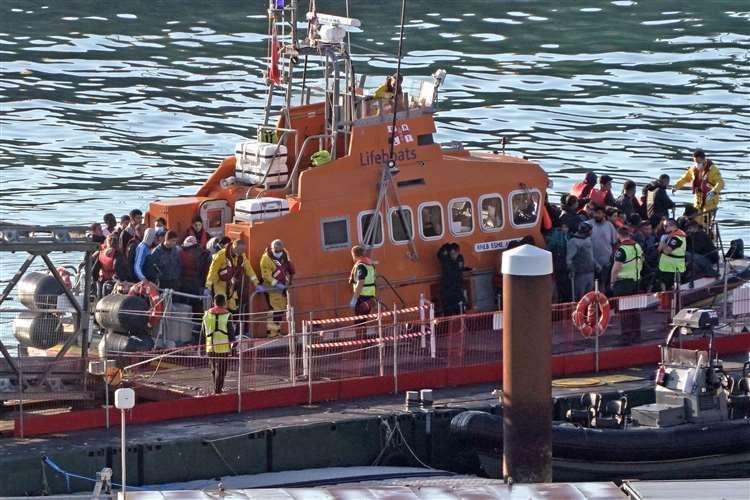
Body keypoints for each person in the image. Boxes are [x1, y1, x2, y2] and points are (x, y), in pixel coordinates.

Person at [673, 148, 724, 226]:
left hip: (710, 199)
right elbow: (685, 178)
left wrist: (714, 191)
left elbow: (720, 182)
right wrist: (676, 186)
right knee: (696, 218)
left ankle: (707, 233)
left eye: (698, 162)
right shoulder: (693, 169)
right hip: (698, 198)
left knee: (706, 220)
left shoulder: (713, 170)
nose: (697, 164)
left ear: (704, 160)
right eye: (695, 161)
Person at [205, 239, 259, 313]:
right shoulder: (221, 255)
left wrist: (256, 283)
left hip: (231, 285)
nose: (242, 252)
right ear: (234, 247)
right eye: (241, 250)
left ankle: (231, 323)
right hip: (219, 285)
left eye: (243, 250)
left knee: (232, 306)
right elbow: (213, 271)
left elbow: (249, 269)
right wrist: (208, 286)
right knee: (221, 306)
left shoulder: (241, 256)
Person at [610, 226, 644, 343]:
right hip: (636, 281)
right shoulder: (637, 246)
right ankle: (637, 333)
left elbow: (616, 268)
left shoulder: (622, 250)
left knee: (624, 310)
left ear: (619, 235)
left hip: (623, 283)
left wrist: (612, 282)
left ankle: (626, 335)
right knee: (634, 309)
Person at [260, 239, 296, 338]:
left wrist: (289, 280)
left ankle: (277, 331)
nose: (279, 253)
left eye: (280, 250)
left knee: (281, 309)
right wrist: (277, 284)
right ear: (272, 249)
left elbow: (289, 267)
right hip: (271, 287)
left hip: (282, 286)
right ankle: (272, 333)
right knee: (274, 310)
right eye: (276, 251)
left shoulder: (285, 254)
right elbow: (266, 275)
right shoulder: (265, 258)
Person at [202, 294, 234, 395]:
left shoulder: (206, 314)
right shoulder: (228, 315)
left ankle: (216, 388)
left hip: (210, 346)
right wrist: (234, 346)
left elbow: (203, 332)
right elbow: (231, 333)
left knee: (213, 368)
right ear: (224, 303)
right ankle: (218, 391)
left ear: (214, 303)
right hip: (223, 347)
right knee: (222, 369)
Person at [178, 235, 211, 314]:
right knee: (196, 305)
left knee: (188, 304)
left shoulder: (180, 252)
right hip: (195, 284)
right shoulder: (203, 253)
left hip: (187, 284)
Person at [566, 222, 598, 300]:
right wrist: (571, 269)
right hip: (580, 274)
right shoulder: (573, 242)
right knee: (580, 297)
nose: (591, 232)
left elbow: (591, 256)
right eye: (590, 231)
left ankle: (588, 311)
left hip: (590, 271)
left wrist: (596, 265)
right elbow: (569, 259)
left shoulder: (588, 239)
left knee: (589, 296)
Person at [590, 206, 618, 292]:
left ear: (604, 214)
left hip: (606, 263)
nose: (596, 215)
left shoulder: (609, 226)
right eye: (595, 213)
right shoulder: (588, 224)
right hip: (591, 262)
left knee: (603, 287)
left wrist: (612, 259)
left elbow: (615, 244)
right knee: (591, 287)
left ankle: (603, 303)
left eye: (599, 213)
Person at [657, 218, 686, 291]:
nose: (664, 228)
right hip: (665, 267)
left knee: (672, 288)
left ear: (672, 226)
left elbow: (667, 251)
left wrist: (662, 242)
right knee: (663, 283)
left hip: (673, 268)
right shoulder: (670, 235)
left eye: (666, 226)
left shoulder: (677, 238)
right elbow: (659, 250)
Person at [438, 242, 467, 315]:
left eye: (455, 253)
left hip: (457, 289)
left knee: (460, 310)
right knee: (448, 312)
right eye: (452, 253)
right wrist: (446, 247)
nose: (454, 255)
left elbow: (460, 268)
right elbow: (439, 254)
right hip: (448, 289)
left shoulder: (459, 258)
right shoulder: (446, 260)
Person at [349, 245, 377, 316]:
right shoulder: (370, 265)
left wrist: (354, 299)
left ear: (354, 255)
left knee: (359, 321)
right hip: (370, 296)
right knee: (363, 320)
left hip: (362, 296)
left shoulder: (361, 266)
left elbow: (361, 282)